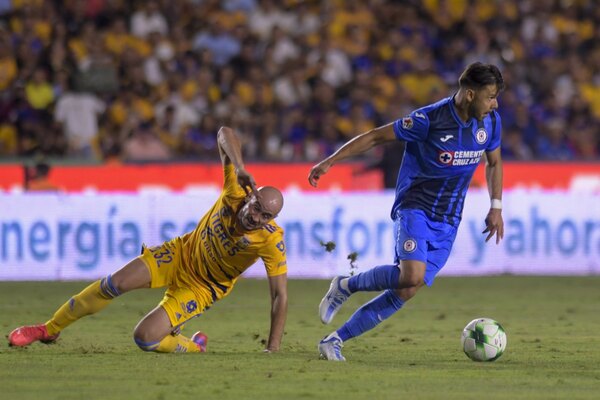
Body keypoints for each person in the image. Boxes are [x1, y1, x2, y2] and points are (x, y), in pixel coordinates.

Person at [9, 126, 288, 354]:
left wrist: (272, 348)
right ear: (250, 195)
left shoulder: (271, 241)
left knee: (145, 338)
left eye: (265, 216)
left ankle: (193, 347)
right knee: (114, 283)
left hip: (203, 287)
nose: (256, 218)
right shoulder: (235, 190)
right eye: (255, 207)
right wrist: (238, 166)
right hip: (180, 253)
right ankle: (49, 329)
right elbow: (224, 132)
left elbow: (280, 296)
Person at [308, 62, 505, 361]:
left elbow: (494, 163)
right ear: (469, 94)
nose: (495, 103)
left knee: (408, 287)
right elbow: (375, 136)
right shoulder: (429, 119)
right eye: (490, 96)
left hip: (449, 218)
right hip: (415, 207)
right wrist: (330, 161)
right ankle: (345, 285)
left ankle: (333, 340)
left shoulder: (490, 123)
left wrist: (496, 206)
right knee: (412, 272)